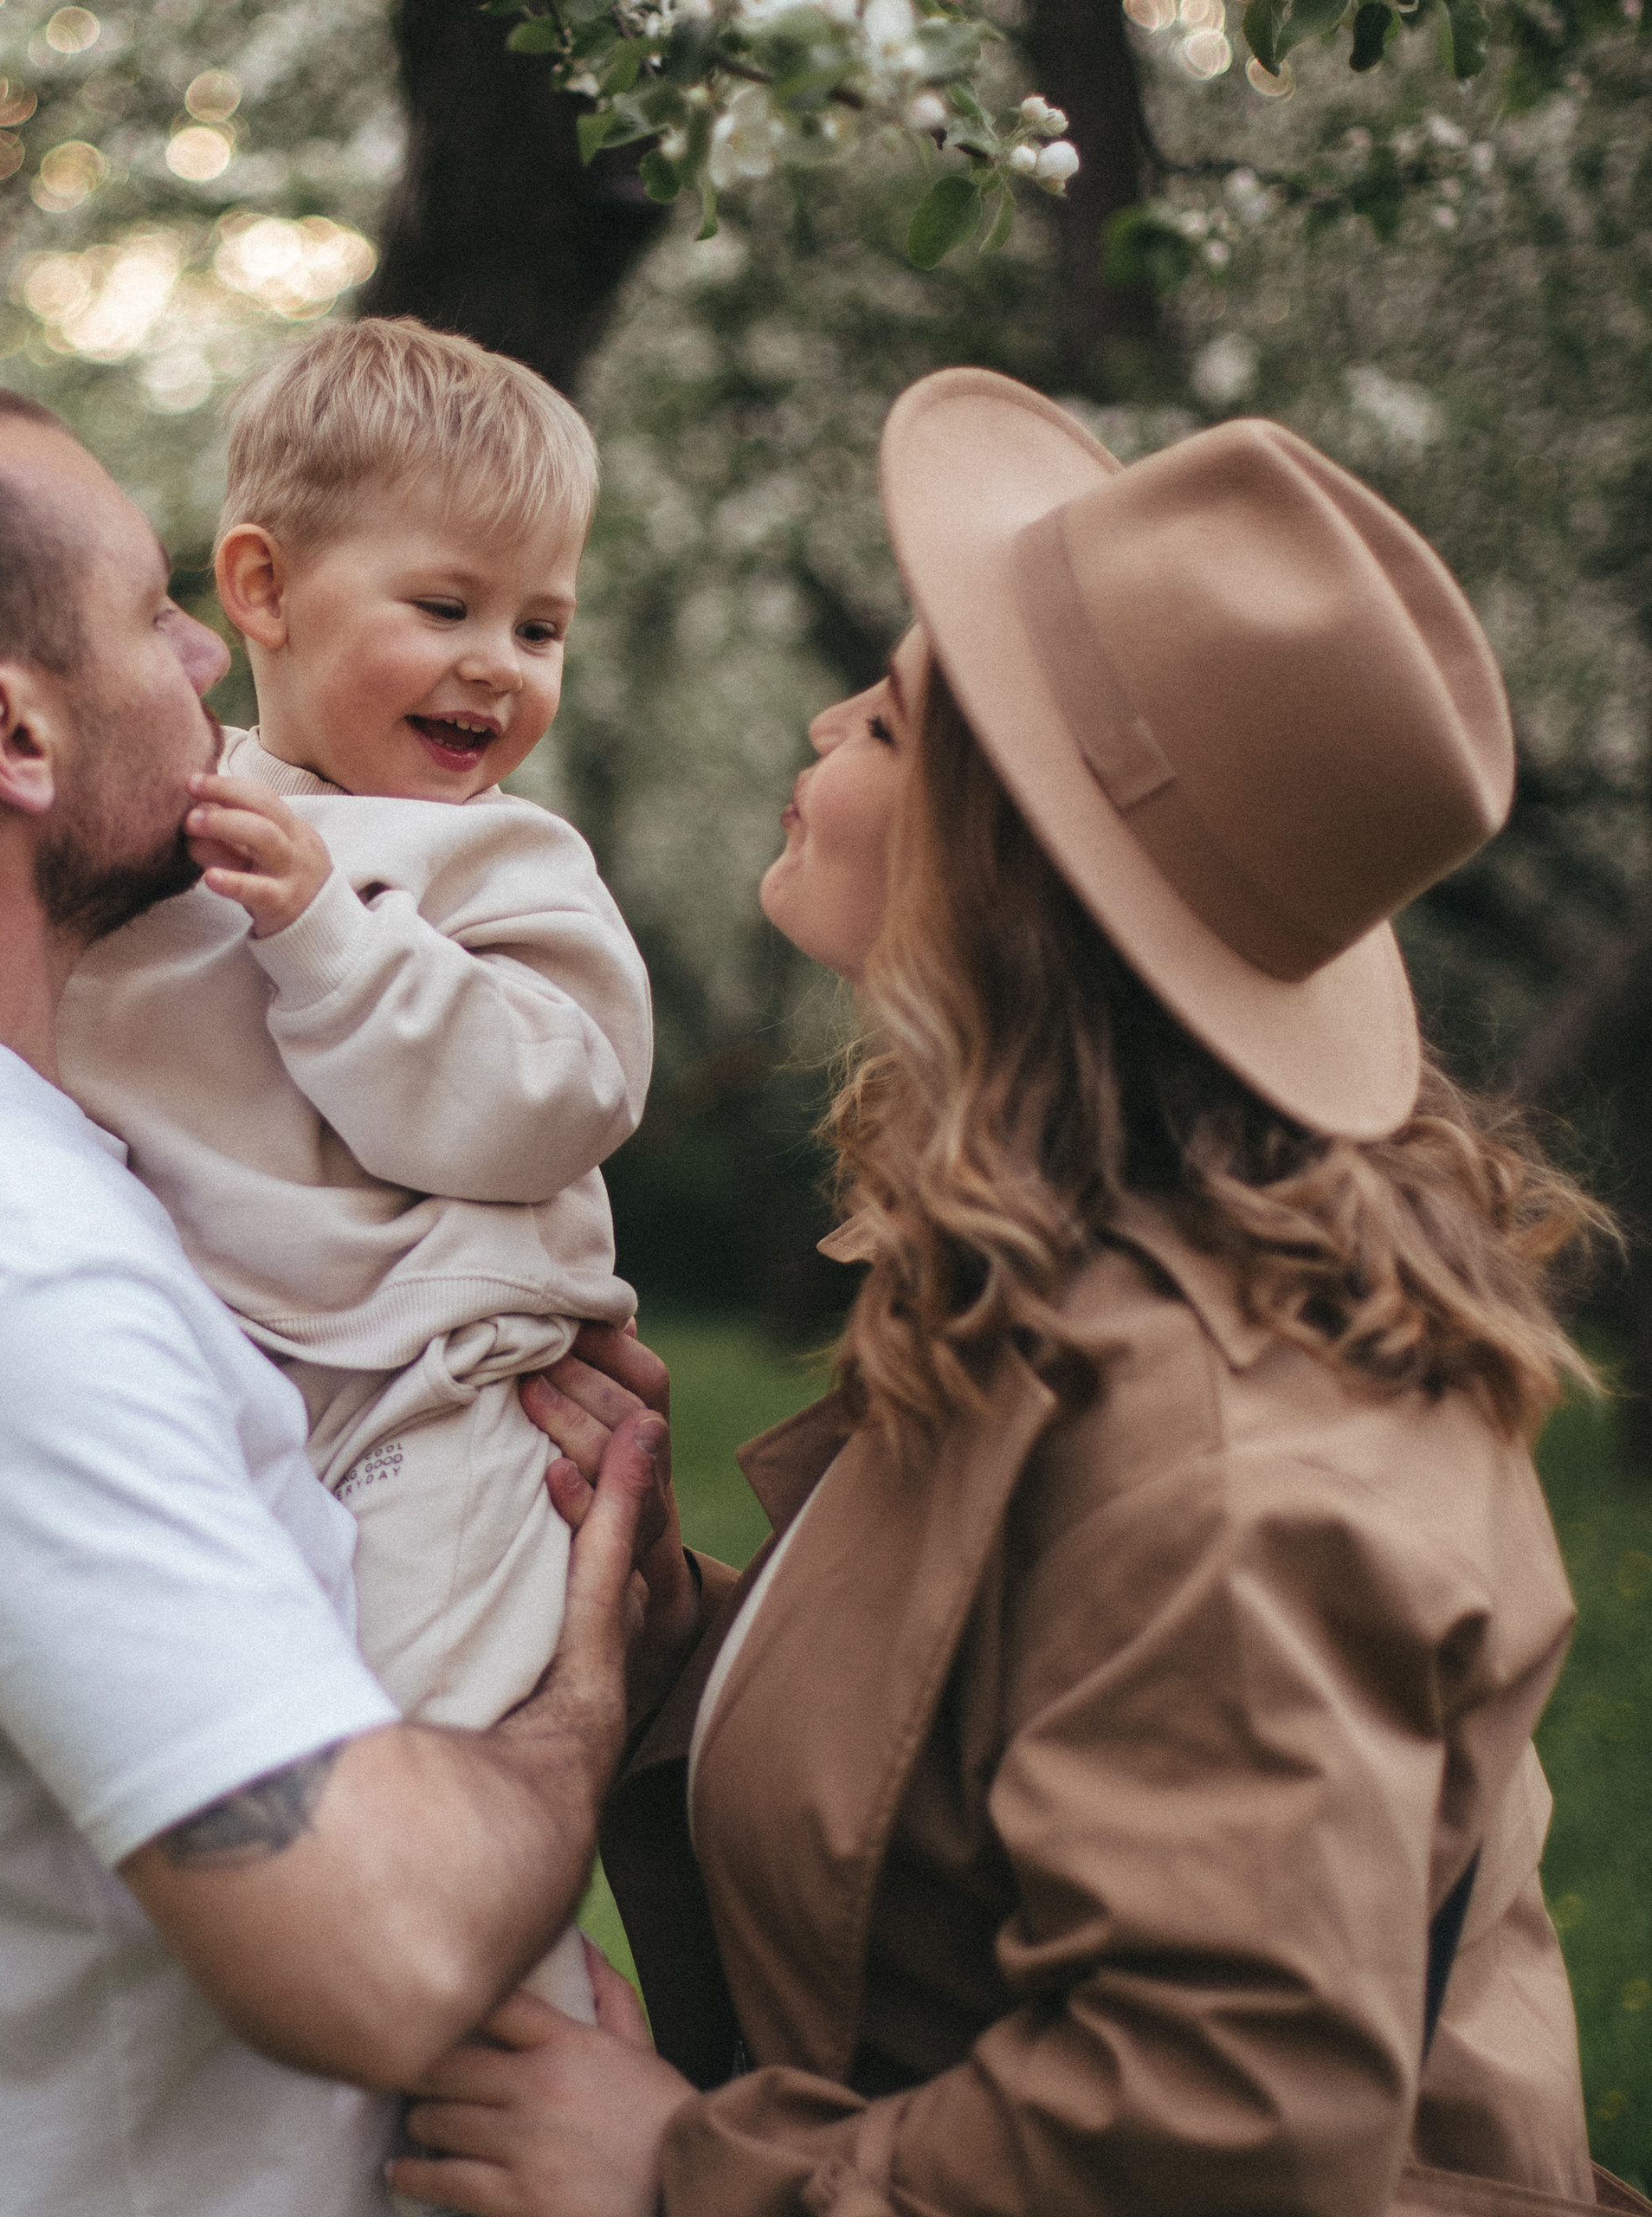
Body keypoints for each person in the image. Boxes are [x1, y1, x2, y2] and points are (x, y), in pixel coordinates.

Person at [386, 367, 1649, 2217]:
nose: (823, 716)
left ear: (1007, 871)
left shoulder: (1237, 1458)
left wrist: (681, 2167)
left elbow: (1214, 2126)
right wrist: (681, 1629)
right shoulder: (1066, 1272)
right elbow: (989, 1767)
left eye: (888, 720)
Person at [0, 378, 671, 2217]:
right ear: (10, 730)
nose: (200, 648)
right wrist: (591, 1679)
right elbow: (383, 1950)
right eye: (145, 611)